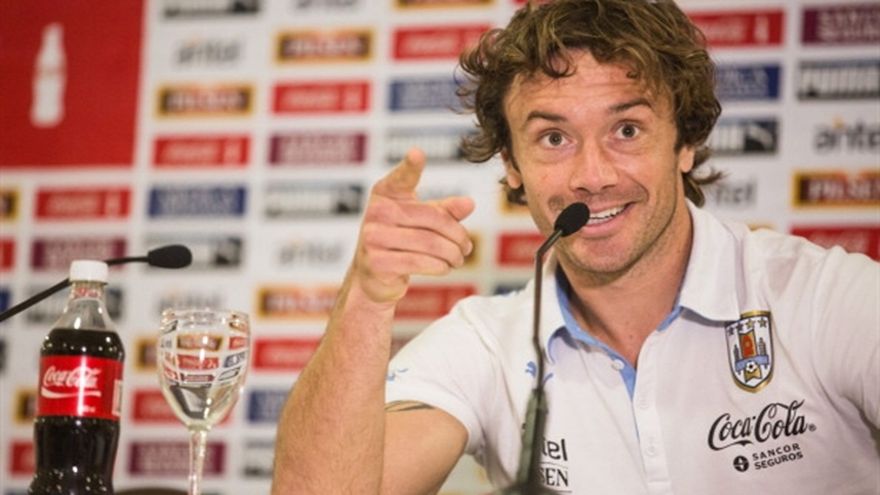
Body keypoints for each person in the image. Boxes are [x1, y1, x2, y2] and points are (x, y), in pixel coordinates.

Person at [271, 0, 880, 493]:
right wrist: (366, 298)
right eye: (554, 138)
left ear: (685, 142)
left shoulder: (825, 299)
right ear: (512, 164)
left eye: (627, 130)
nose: (592, 175)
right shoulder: (486, 343)